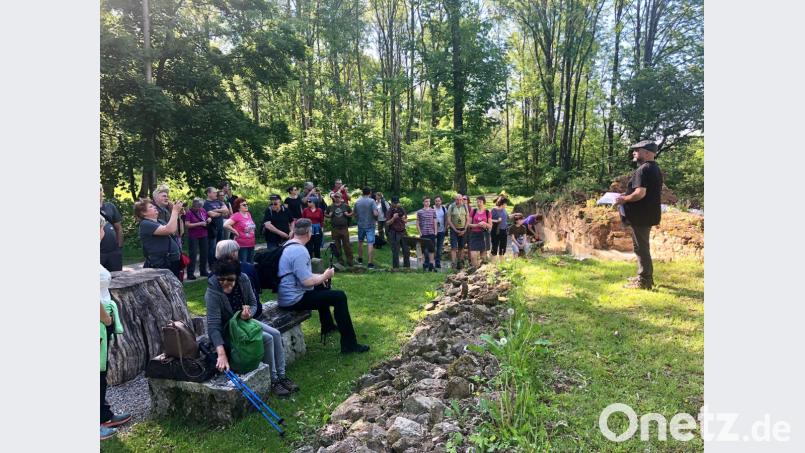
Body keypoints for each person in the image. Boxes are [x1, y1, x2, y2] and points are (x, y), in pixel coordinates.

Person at [205, 258, 298, 396]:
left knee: (276, 334)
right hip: (228, 328)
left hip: (245, 322)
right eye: (221, 279)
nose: (225, 283)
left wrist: (249, 314)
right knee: (267, 338)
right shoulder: (212, 292)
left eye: (229, 279)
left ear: (237, 276)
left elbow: (254, 303)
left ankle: (282, 376)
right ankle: (273, 381)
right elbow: (213, 326)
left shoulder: (244, 280)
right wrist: (221, 353)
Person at [277, 219, 370, 354]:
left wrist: (320, 279)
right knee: (339, 297)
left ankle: (328, 325)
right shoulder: (299, 251)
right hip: (293, 300)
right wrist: (325, 276)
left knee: (322, 287)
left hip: (288, 296)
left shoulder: (288, 245)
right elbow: (307, 281)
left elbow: (302, 274)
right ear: (309, 233)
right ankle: (350, 345)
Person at [615, 140, 663, 290]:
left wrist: (624, 199)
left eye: (638, 150)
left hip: (641, 215)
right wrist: (628, 194)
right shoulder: (654, 168)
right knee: (641, 247)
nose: (634, 152)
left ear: (648, 153)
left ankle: (644, 281)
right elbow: (644, 192)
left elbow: (640, 193)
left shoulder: (643, 169)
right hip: (648, 214)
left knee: (641, 248)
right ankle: (643, 277)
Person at [100, 217, 131, 440]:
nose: (104, 230)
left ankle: (103, 414)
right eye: (101, 227)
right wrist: (106, 320)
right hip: (99, 321)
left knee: (100, 372)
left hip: (103, 320)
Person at [135, 198, 184, 279]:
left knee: (175, 287)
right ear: (143, 213)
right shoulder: (145, 224)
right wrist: (174, 211)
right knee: (167, 288)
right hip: (161, 263)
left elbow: (179, 233)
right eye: (151, 207)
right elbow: (169, 229)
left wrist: (179, 216)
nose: (154, 207)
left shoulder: (160, 221)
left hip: (172, 260)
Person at [215, 240, 262, 318]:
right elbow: (257, 290)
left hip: (244, 313)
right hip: (241, 315)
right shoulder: (247, 268)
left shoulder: (213, 275)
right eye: (236, 251)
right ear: (233, 253)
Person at [183, 198, 211, 280]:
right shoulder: (189, 213)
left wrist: (209, 219)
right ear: (194, 206)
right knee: (193, 254)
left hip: (204, 234)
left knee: (204, 252)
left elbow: (207, 217)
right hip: (193, 235)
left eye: (200, 207)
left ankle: (203, 270)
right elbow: (187, 225)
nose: (199, 209)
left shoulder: (202, 210)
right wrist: (199, 223)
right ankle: (190, 273)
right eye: (197, 207)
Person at [224, 197, 257, 263]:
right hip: (242, 245)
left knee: (250, 264)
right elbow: (225, 224)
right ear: (238, 207)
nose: (246, 206)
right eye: (244, 205)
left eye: (247, 204)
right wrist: (235, 232)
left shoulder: (248, 214)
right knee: (243, 264)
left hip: (251, 243)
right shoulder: (236, 215)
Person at [325, 192, 354, 267]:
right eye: (335, 197)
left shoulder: (345, 206)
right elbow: (325, 213)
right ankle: (340, 261)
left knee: (347, 245)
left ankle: (350, 261)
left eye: (338, 197)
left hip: (344, 228)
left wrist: (348, 216)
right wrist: (328, 215)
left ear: (341, 198)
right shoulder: (331, 207)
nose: (337, 198)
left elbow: (351, 213)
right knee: (336, 246)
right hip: (335, 228)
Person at [100, 185, 124, 272]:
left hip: (114, 251)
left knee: (117, 278)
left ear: (102, 192)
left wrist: (119, 247)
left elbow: (118, 228)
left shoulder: (110, 206)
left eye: (99, 190)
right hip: (99, 253)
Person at [354, 187, 379, 268]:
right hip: (370, 225)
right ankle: (370, 263)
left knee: (360, 242)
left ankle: (360, 259)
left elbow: (354, 213)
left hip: (360, 225)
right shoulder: (372, 201)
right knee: (370, 243)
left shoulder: (357, 202)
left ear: (362, 193)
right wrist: (377, 214)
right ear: (370, 193)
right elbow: (375, 214)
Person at [204, 186, 229, 266]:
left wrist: (216, 210)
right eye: (214, 192)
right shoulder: (206, 203)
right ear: (208, 193)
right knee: (212, 248)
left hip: (220, 228)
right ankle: (212, 265)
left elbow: (227, 211)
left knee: (220, 247)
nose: (216, 194)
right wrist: (221, 212)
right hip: (212, 229)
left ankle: (219, 263)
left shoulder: (218, 201)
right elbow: (211, 214)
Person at [468, 196, 492, 267]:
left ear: (484, 202)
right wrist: (477, 225)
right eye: (477, 202)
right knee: (473, 255)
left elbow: (490, 226)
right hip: (474, 234)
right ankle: (474, 269)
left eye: (480, 202)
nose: (478, 203)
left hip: (484, 234)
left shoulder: (487, 212)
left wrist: (485, 224)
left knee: (483, 256)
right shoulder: (473, 211)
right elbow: (468, 224)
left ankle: (481, 272)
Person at [386, 196, 410, 269]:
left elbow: (406, 220)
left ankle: (407, 267)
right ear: (392, 203)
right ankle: (396, 268)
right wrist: (393, 218)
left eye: (397, 203)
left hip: (403, 232)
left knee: (406, 250)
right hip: (394, 233)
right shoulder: (389, 211)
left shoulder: (401, 209)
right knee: (395, 251)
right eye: (394, 203)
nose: (396, 204)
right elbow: (387, 223)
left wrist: (403, 219)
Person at [447, 194, 469, 269]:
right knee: (453, 247)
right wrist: (454, 229)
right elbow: (449, 220)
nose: (459, 201)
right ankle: (453, 263)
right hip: (454, 229)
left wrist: (465, 229)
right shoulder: (451, 206)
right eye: (457, 199)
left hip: (463, 229)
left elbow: (468, 218)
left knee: (461, 247)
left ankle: (460, 262)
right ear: (455, 199)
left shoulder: (465, 206)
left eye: (460, 199)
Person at [416, 197, 438, 272]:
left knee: (431, 249)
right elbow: (417, 223)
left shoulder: (433, 211)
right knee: (423, 250)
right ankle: (423, 265)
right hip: (424, 233)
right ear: (423, 202)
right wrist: (420, 232)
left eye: (428, 201)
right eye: (426, 201)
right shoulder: (419, 212)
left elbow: (435, 221)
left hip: (431, 233)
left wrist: (435, 231)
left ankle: (431, 264)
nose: (427, 203)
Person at [490, 197, 509, 263]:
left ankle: (502, 263)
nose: (506, 205)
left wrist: (515, 215)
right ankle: (493, 264)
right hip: (496, 230)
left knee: (503, 246)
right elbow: (488, 219)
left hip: (504, 230)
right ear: (503, 203)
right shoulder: (494, 210)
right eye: (506, 203)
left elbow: (507, 218)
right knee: (495, 246)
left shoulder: (504, 210)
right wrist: (497, 220)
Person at [433, 196, 448, 269]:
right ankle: (431, 262)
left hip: (441, 231)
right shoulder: (432, 209)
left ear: (441, 201)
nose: (437, 202)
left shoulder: (444, 209)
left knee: (439, 248)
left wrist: (445, 228)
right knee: (433, 247)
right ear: (434, 201)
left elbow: (446, 219)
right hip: (433, 231)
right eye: (436, 201)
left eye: (439, 201)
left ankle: (437, 263)